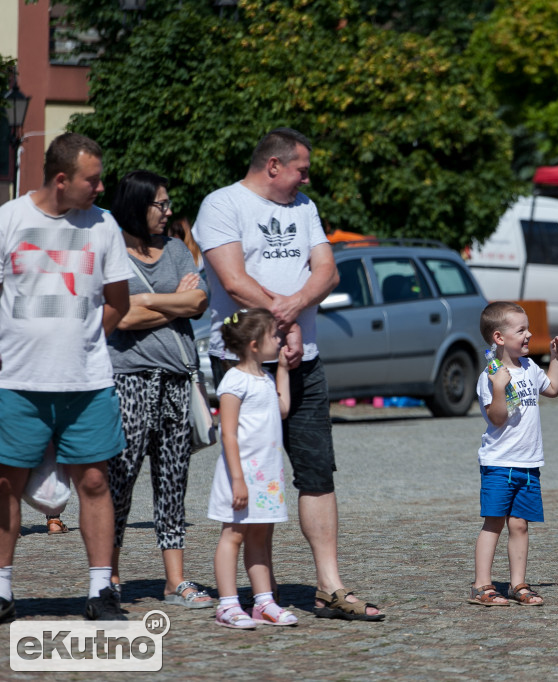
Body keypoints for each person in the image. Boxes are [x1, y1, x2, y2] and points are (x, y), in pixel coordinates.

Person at [194, 127, 384, 621]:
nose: (307, 177)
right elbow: (235, 283)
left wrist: (296, 310)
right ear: (273, 165)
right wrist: (289, 322)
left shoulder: (304, 208)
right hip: (245, 359)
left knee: (317, 470)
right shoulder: (222, 205)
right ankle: (261, 592)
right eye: (301, 168)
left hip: (305, 357)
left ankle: (330, 586)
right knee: (257, 472)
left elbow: (328, 271)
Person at [0, 132, 131, 621]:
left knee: (95, 481)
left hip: (87, 380)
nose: (100, 188)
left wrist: (82, 340)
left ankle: (101, 591)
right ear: (61, 180)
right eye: (91, 180)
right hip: (15, 379)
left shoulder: (104, 226)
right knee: (5, 484)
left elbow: (119, 302)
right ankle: (2, 591)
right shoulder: (9, 220)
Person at [107, 170, 213, 608]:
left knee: (174, 480)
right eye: (161, 204)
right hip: (128, 379)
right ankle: (107, 575)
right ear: (137, 205)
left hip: (176, 379)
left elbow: (200, 301)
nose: (168, 211)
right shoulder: (112, 252)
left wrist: (148, 302)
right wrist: (173, 303)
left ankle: (176, 581)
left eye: (168, 204)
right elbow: (121, 318)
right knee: (120, 480)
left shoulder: (175, 251)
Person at [469, 302, 558, 607]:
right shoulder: (491, 375)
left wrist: (556, 358)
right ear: (499, 338)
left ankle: (517, 584)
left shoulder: (529, 368)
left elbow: (552, 388)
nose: (529, 334)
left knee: (520, 525)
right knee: (494, 523)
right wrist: (499, 389)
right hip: (499, 464)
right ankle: (481, 585)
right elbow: (497, 418)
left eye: (528, 328)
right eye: (521, 330)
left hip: (528, 464)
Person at [209, 308, 296, 628]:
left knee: (259, 536)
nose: (279, 339)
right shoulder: (234, 381)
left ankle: (264, 603)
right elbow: (228, 433)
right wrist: (238, 480)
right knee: (232, 536)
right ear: (255, 345)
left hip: (266, 477)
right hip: (241, 476)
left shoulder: (266, 377)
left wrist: (284, 371)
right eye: (274, 335)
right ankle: (228, 604)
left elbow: (282, 408)